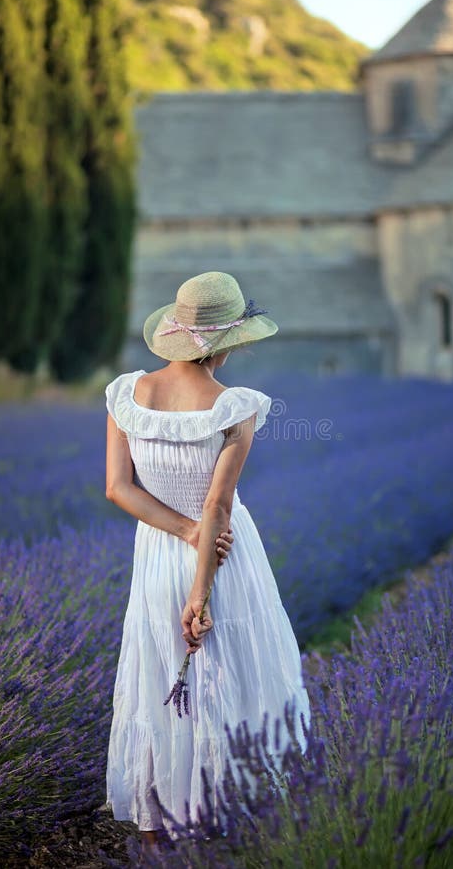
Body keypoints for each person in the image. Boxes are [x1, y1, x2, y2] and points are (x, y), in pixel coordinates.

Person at [104, 271, 311, 856]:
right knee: (228, 678)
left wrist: (182, 531)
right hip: (220, 556)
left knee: (157, 675)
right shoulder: (235, 407)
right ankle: (227, 826)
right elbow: (217, 506)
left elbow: (119, 488)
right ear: (228, 343)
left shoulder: (127, 394)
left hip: (158, 550)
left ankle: (155, 831)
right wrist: (200, 588)